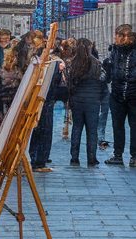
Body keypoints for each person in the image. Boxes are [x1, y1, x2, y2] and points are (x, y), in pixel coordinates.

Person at [104, 24, 136, 166]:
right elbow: (113, 68)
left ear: (124, 37)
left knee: (135, 125)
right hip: (117, 94)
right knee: (118, 126)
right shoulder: (116, 50)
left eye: (116, 36)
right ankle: (118, 155)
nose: (114, 39)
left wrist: (128, 77)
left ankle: (134, 157)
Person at [66, 38, 105, 166]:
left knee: (77, 127)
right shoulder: (96, 63)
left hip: (77, 99)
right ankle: (91, 158)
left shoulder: (72, 63)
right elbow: (103, 80)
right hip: (92, 100)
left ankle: (74, 157)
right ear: (90, 48)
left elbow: (69, 82)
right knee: (92, 130)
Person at [29, 37, 65, 172]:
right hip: (44, 98)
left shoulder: (53, 63)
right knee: (41, 129)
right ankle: (38, 159)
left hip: (45, 98)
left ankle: (38, 158)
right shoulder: (47, 62)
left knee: (40, 129)